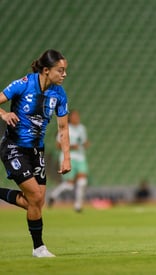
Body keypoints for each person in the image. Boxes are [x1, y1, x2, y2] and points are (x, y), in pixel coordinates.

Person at [0, 49, 71, 257]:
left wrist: (66, 157)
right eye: (61, 70)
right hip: (13, 148)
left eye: (65, 70)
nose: (64, 74)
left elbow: (63, 129)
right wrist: (4, 113)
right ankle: (39, 248)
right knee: (34, 196)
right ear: (46, 70)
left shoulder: (59, 94)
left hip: (36, 150)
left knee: (37, 202)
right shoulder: (23, 84)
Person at [48, 109, 89, 212]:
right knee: (70, 185)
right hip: (68, 158)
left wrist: (85, 144)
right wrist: (70, 146)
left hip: (80, 157)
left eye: (77, 116)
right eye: (74, 116)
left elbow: (84, 141)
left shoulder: (82, 128)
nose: (77, 118)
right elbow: (58, 145)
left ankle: (78, 206)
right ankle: (53, 195)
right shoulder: (65, 128)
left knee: (83, 182)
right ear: (70, 118)